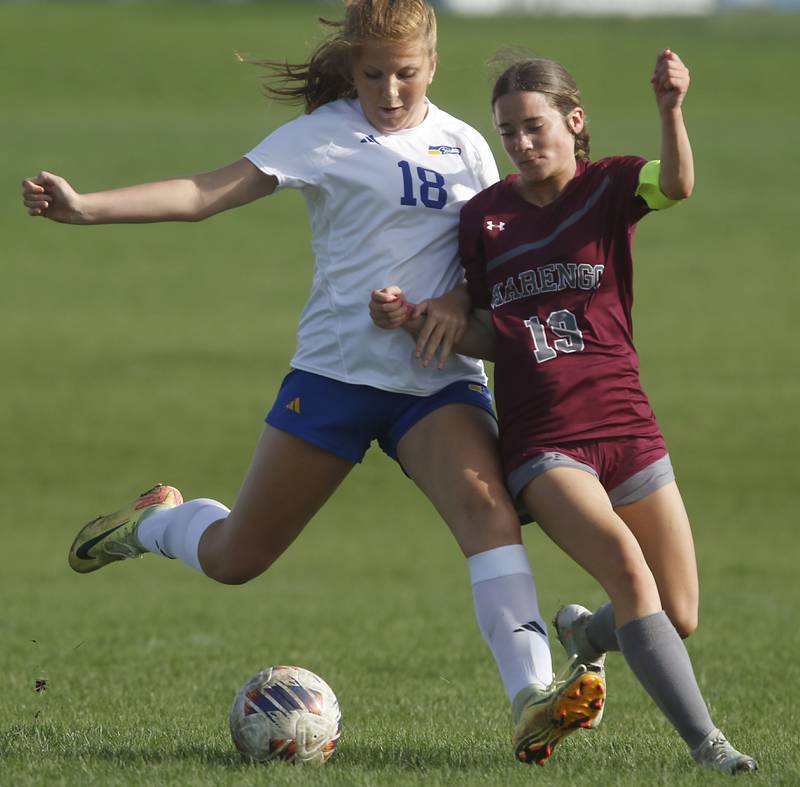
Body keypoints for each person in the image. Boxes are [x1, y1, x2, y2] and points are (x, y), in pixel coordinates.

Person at [21, 1, 604, 766]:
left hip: (436, 383)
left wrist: (459, 301)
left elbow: (488, 258)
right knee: (238, 557)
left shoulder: (466, 146)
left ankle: (532, 698)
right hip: (334, 377)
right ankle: (156, 522)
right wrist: (85, 208)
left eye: (405, 73)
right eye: (372, 74)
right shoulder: (322, 135)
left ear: (432, 62)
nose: (389, 90)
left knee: (486, 512)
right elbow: (205, 193)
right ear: (352, 67)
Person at [369, 49, 758, 774]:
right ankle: (710, 745)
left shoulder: (610, 185)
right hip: (545, 442)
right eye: (507, 131)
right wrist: (424, 318)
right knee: (632, 579)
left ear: (572, 122)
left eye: (534, 126)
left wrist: (672, 109)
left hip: (630, 428)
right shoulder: (485, 217)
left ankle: (585, 635)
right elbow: (490, 325)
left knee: (677, 613)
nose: (520, 143)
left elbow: (677, 185)